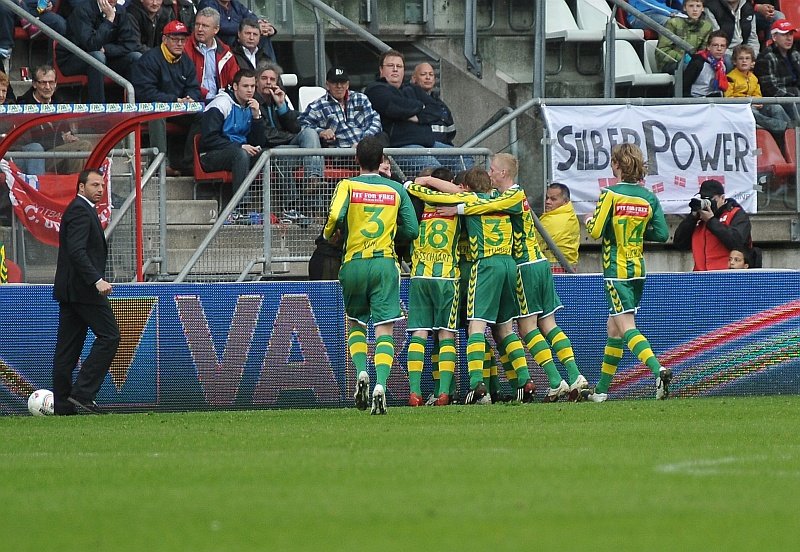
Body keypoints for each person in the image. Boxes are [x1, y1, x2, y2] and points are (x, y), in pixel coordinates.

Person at [323, 136, 419, 415]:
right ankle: (380, 385)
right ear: (381, 161)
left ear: (357, 159)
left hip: (353, 263)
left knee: (355, 323)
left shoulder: (347, 185)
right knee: (384, 329)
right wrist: (391, 234)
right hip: (384, 263)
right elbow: (412, 231)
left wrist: (331, 235)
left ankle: (361, 372)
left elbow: (334, 217)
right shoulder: (396, 189)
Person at [582, 143, 671, 402]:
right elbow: (663, 234)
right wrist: (640, 230)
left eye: (613, 162)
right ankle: (600, 391)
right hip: (638, 270)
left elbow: (596, 231)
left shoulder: (610, 194)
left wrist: (588, 219)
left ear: (617, 165)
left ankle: (659, 370)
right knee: (614, 329)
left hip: (616, 270)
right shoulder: (648, 197)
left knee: (627, 327)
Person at [52, 169, 121, 415]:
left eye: (102, 185)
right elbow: (77, 251)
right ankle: (82, 394)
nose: (100, 189)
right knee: (110, 336)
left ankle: (62, 406)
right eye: (94, 185)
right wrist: (96, 280)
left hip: (71, 291)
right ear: (81, 187)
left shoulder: (80, 209)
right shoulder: (80, 210)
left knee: (67, 351)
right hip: (83, 290)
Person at [364, 49, 453, 174]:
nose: (395, 69)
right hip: (401, 148)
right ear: (381, 70)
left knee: (464, 158)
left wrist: (417, 117)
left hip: (430, 144)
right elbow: (393, 107)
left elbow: (436, 109)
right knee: (436, 171)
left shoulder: (412, 89)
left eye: (399, 66)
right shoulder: (375, 89)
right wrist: (421, 106)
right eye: (390, 66)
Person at [132, 19, 202, 176]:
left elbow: (194, 87)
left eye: (183, 40)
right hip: (150, 109)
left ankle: (188, 162)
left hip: (177, 109)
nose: (179, 43)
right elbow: (145, 92)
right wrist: (174, 101)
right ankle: (159, 163)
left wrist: (191, 98)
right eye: (175, 39)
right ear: (164, 39)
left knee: (204, 116)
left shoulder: (186, 62)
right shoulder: (149, 59)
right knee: (158, 111)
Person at [198, 68, 266, 223]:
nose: (250, 90)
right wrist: (239, 146)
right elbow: (208, 139)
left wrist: (257, 117)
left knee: (268, 155)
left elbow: (259, 142)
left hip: (238, 153)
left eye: (253, 86)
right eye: (245, 86)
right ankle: (240, 208)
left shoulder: (252, 106)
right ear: (235, 87)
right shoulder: (221, 104)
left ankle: (290, 207)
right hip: (210, 155)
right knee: (240, 154)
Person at [256, 63, 320, 221]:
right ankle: (297, 204)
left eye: (272, 79)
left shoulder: (278, 100)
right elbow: (267, 136)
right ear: (256, 81)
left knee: (310, 133)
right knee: (282, 156)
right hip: (265, 150)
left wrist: (282, 106)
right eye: (264, 78)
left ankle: (313, 179)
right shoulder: (253, 102)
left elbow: (297, 126)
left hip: (284, 147)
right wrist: (292, 138)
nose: (269, 82)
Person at [55, 0, 142, 103]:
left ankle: (137, 106)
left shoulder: (121, 11)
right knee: (97, 57)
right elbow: (92, 45)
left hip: (106, 56)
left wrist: (107, 49)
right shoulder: (82, 10)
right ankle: (98, 108)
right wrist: (109, 19)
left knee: (136, 57)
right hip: (73, 58)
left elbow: (131, 44)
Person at [16, 64, 94, 174]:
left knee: (81, 148)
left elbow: (65, 131)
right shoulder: (23, 106)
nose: (48, 87)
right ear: (34, 84)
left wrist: (70, 137)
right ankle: (76, 185)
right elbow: (29, 142)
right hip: (37, 157)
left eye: (51, 82)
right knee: (83, 146)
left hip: (56, 154)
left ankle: (75, 185)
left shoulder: (59, 103)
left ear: (56, 84)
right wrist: (61, 139)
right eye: (43, 82)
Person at [673, 178, 753, 270]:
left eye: (711, 200)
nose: (709, 204)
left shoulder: (736, 214)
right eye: (704, 200)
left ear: (722, 198)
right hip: (701, 277)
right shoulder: (699, 218)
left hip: (726, 276)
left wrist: (711, 221)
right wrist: (692, 217)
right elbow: (680, 244)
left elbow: (737, 243)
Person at [298, 66, 383, 148]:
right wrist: (321, 132)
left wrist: (363, 142)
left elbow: (375, 120)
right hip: (339, 156)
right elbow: (302, 126)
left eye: (342, 82)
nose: (339, 86)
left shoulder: (361, 99)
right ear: (327, 85)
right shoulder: (317, 106)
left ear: (347, 84)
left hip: (366, 150)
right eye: (335, 83)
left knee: (383, 139)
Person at [725, 44, 791, 134]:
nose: (744, 61)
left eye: (747, 58)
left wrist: (757, 101)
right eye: (741, 58)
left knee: (776, 107)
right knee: (750, 112)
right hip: (741, 108)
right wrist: (748, 102)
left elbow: (758, 94)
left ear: (752, 62)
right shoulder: (730, 77)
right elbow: (728, 98)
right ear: (735, 62)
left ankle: (790, 132)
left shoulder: (754, 78)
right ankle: (780, 127)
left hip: (755, 105)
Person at [185, 7, 239, 105]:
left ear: (216, 29)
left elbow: (236, 79)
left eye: (205, 26)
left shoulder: (225, 51)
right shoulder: (185, 48)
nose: (199, 29)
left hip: (221, 100)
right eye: (197, 24)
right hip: (195, 100)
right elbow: (184, 81)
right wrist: (209, 96)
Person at [197, 0, 276, 60]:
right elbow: (220, 26)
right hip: (221, 43)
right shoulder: (207, 3)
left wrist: (267, 28)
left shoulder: (235, 4)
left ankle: (270, 72)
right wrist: (246, 28)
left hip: (239, 40)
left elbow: (252, 19)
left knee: (263, 38)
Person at [754, 19, 800, 122]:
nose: (789, 39)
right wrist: (793, 97)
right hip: (778, 100)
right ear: (774, 37)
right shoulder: (765, 57)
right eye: (784, 35)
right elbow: (770, 89)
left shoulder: (795, 54)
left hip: (795, 96)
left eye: (791, 34)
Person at [655, 0, 713, 74]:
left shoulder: (707, 26)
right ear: (685, 8)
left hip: (696, 62)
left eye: (698, 6)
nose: (695, 9)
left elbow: (704, 50)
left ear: (702, 8)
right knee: (692, 66)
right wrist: (682, 58)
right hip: (670, 63)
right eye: (691, 6)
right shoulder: (673, 23)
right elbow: (662, 50)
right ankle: (685, 86)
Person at [409, 62, 456, 146]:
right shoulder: (408, 102)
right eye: (423, 74)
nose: (428, 77)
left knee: (467, 158)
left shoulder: (442, 106)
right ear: (414, 79)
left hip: (442, 151)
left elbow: (451, 132)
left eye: (431, 75)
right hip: (418, 150)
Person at [537, 182, 580, 273]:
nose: (548, 202)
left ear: (565, 201)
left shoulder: (554, 220)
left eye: (553, 199)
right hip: (569, 267)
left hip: (554, 268)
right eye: (547, 198)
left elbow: (535, 244)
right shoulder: (570, 216)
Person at [683, 30, 730, 97]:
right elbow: (684, 86)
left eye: (722, 46)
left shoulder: (723, 65)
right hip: (697, 101)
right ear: (708, 47)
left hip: (716, 100)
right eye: (715, 45)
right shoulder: (697, 63)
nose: (719, 49)